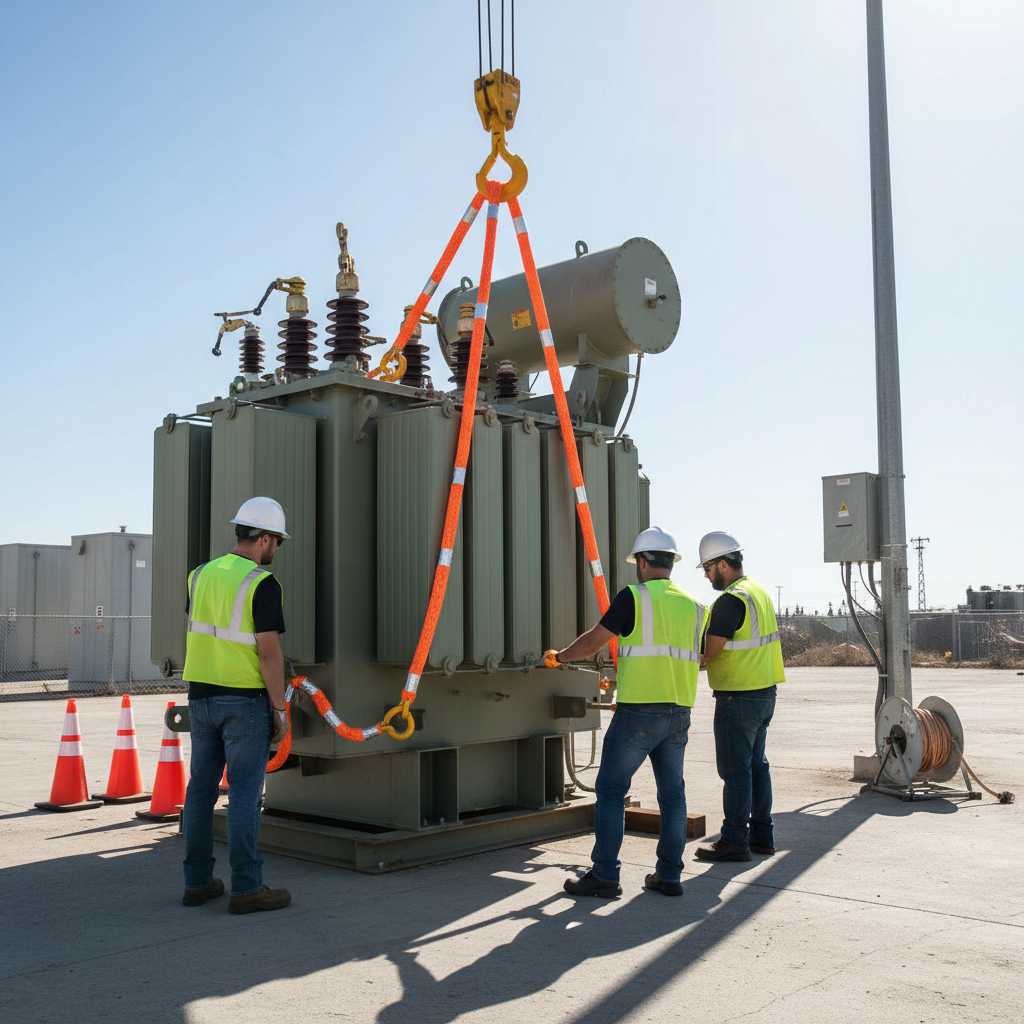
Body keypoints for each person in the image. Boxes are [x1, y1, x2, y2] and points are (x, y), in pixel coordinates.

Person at [554, 528, 707, 898]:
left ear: (642, 561)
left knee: (609, 790)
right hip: (679, 711)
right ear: (671, 562)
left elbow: (595, 639)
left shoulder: (634, 597)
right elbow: (699, 658)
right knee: (672, 796)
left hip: (639, 712)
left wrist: (559, 657)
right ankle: (669, 876)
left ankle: (605, 876)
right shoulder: (696, 606)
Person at [180, 496, 292, 913]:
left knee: (200, 792)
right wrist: (279, 709)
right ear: (263, 538)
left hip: (201, 699)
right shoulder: (261, 583)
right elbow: (268, 653)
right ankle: (247, 889)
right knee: (245, 794)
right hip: (243, 702)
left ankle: (197, 883)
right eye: (276, 541)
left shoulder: (199, 576)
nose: (276, 550)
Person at [695, 531, 784, 863]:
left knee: (735, 771)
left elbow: (710, 651)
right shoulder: (758, 593)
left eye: (707, 568)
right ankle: (763, 837)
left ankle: (734, 839)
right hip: (764, 694)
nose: (705, 575)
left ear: (722, 564)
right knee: (756, 767)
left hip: (738, 698)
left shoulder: (731, 600)